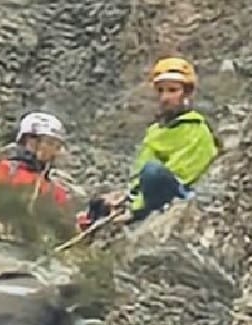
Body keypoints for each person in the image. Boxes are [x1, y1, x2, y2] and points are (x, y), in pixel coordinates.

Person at [78, 57, 219, 230]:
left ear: (187, 93)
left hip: (179, 195)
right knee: (99, 203)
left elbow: (181, 176)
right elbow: (139, 173)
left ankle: (132, 217)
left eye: (172, 90)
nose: (165, 97)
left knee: (153, 172)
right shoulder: (155, 131)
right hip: (146, 193)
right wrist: (124, 197)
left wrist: (134, 206)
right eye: (161, 91)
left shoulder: (197, 130)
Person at [0, 111, 72, 209]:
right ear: (30, 140)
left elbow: (65, 218)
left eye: (57, 147)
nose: (54, 151)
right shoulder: (1, 170)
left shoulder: (54, 190)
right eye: (50, 143)